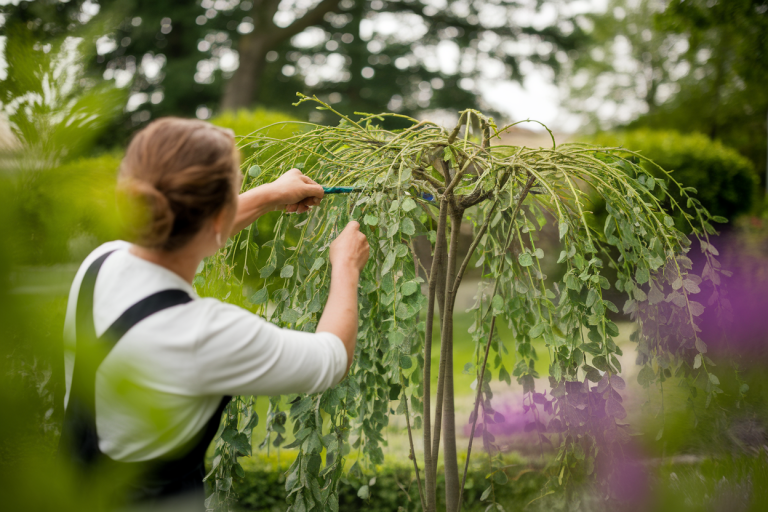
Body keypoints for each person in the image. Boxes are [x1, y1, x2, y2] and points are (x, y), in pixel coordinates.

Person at [59, 117, 369, 510]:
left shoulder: (101, 261)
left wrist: (271, 193)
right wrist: (346, 267)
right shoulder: (203, 333)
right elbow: (332, 358)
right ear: (218, 216)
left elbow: (186, 227)